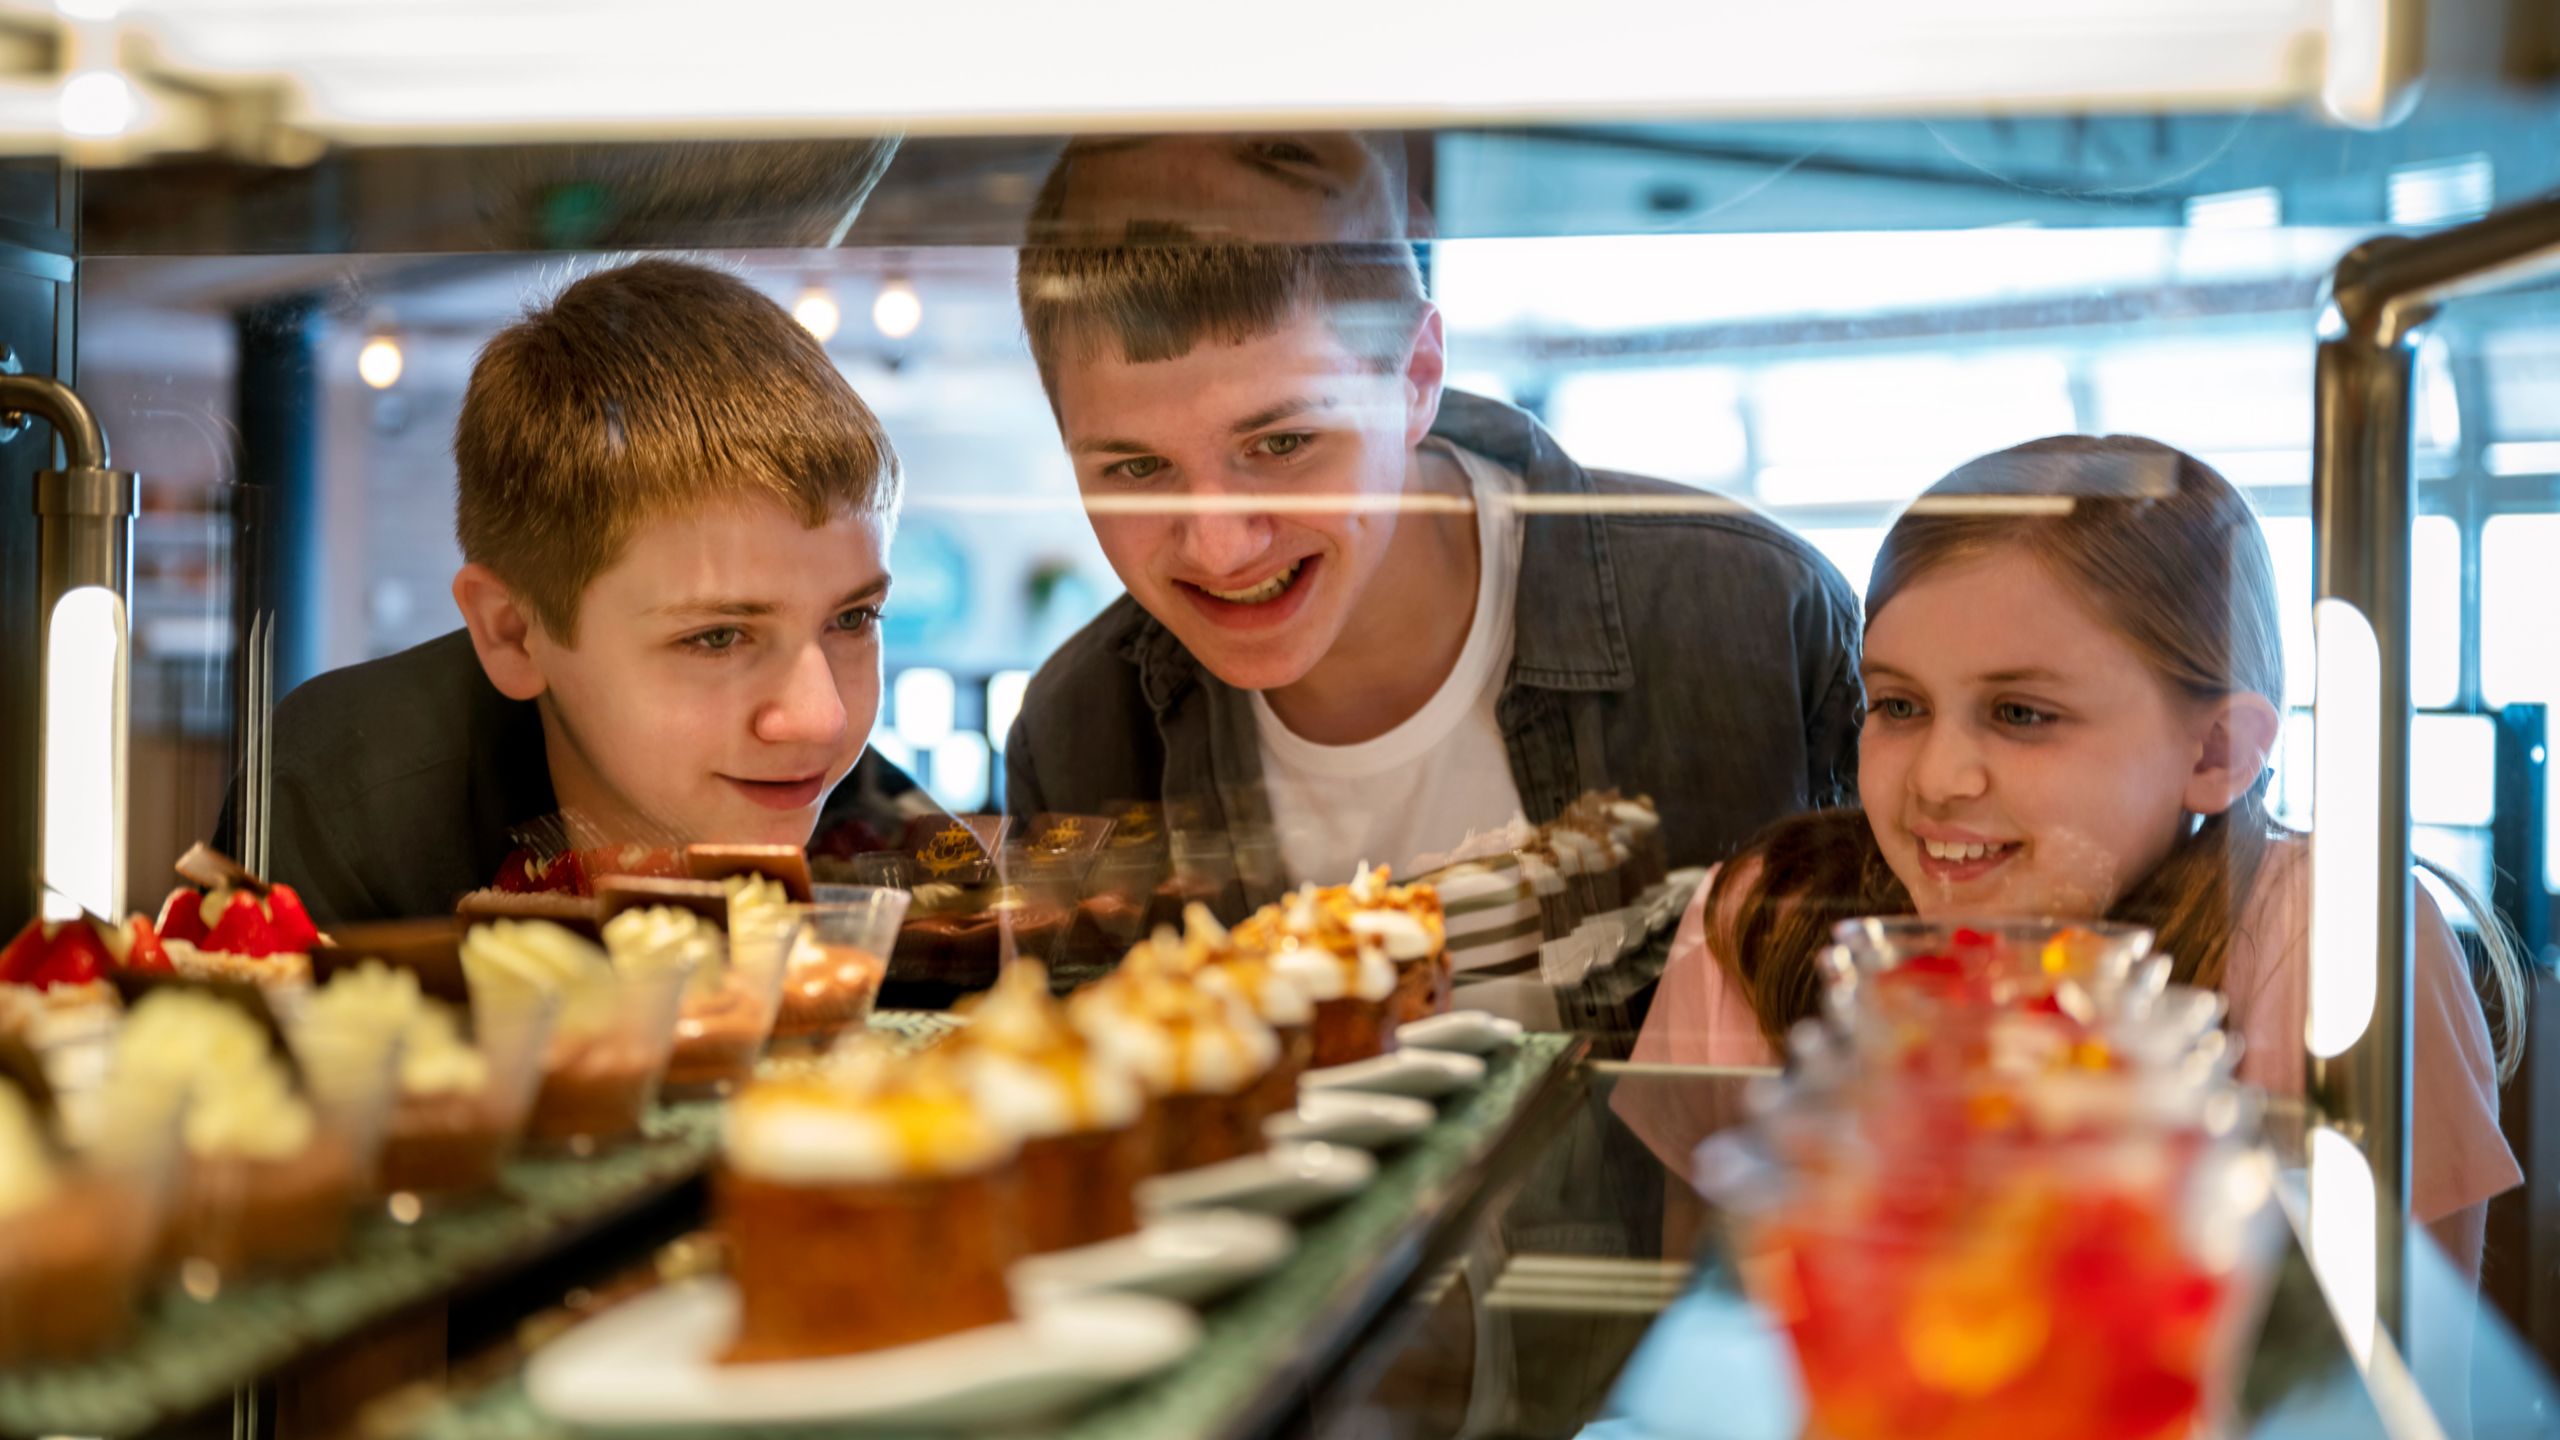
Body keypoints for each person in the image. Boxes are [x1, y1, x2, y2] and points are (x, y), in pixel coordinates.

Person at [1629, 434, 2527, 1262]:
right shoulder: (1763, 918)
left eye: (2022, 714)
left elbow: (2401, 1359)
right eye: (1899, 705)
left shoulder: (2336, 944)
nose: (1938, 778)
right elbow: (1693, 1314)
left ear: (2216, 754)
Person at [1004, 135, 1863, 887]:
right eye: (1138, 468)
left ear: (1415, 379)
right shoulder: (1076, 734)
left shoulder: (1756, 617)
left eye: (1283, 443)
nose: (1221, 548)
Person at [230, 259, 909, 925]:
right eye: (717, 636)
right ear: (513, 634)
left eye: (854, 618)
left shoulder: (894, 847)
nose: (822, 719)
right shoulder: (345, 803)